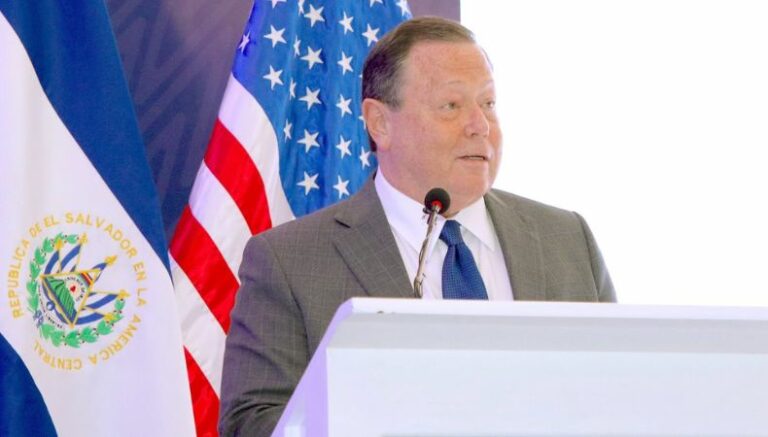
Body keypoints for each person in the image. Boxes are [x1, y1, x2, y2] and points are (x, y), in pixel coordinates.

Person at [219, 16, 616, 436]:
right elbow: (252, 424)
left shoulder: (566, 240)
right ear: (379, 123)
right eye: (451, 106)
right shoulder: (291, 262)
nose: (480, 125)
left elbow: (620, 391)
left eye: (488, 104)